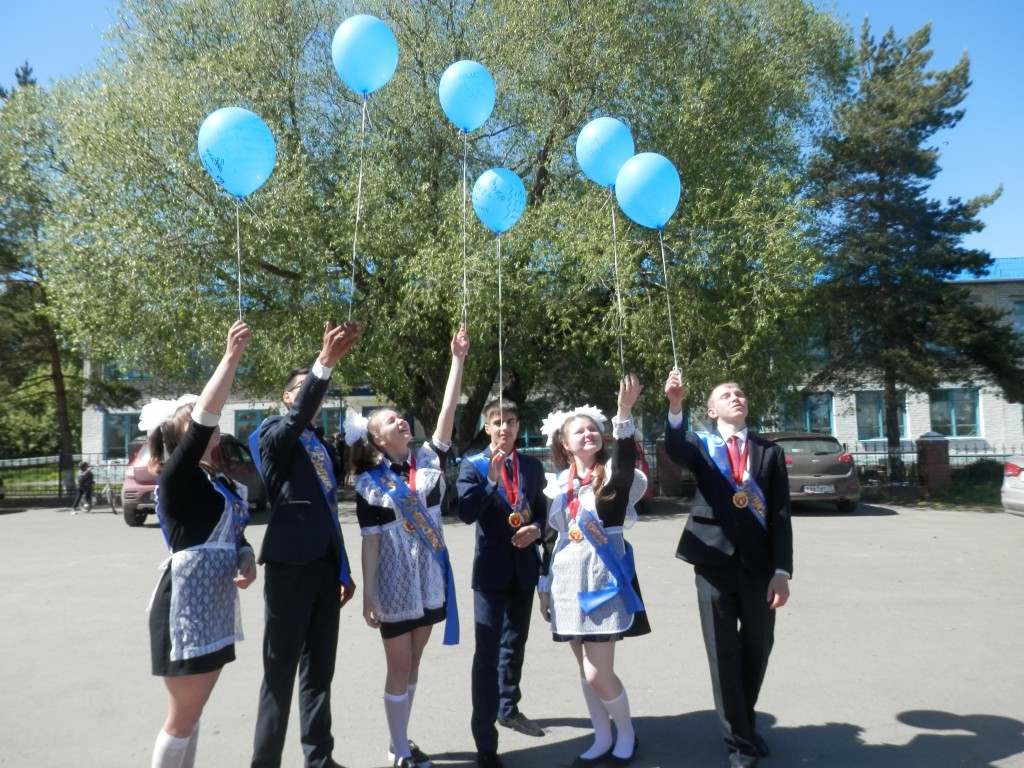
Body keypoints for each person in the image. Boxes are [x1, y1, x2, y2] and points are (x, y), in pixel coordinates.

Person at [347, 324, 469, 768]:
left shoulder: (429, 461)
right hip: (396, 582)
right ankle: (399, 751)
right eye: (390, 421)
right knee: (398, 667)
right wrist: (369, 595)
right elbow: (371, 542)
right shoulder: (369, 483)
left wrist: (457, 360)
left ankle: (399, 738)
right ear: (378, 440)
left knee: (414, 664)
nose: (400, 421)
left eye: (401, 416)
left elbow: (448, 411)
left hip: (430, 577)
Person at [662, 372, 793, 768]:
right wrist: (674, 405)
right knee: (723, 655)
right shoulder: (701, 445)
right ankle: (740, 746)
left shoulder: (768, 452)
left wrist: (782, 571)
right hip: (712, 562)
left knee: (757, 648)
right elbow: (674, 450)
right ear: (712, 410)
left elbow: (780, 515)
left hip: (759, 568)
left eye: (740, 392)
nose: (736, 397)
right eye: (726, 395)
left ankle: (745, 724)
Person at [143, 320, 257, 768]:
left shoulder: (219, 481)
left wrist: (246, 558)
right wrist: (230, 358)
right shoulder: (178, 477)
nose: (211, 426)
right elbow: (204, 419)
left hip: (214, 604)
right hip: (185, 605)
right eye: (195, 424)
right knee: (181, 719)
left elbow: (237, 535)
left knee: (193, 717)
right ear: (181, 437)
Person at [249, 320, 361, 768]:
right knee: (279, 672)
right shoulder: (273, 433)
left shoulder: (321, 446)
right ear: (287, 397)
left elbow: (329, 511)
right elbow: (296, 419)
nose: (314, 398)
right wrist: (324, 364)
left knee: (319, 671)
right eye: (304, 390)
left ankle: (319, 757)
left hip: (324, 568)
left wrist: (343, 568)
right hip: (289, 566)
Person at [538, 375, 650, 768]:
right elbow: (550, 541)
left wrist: (623, 411)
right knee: (583, 669)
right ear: (564, 444)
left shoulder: (613, 476)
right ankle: (602, 736)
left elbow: (626, 457)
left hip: (603, 579)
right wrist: (543, 588)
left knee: (597, 672)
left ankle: (627, 734)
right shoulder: (557, 485)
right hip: (566, 582)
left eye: (593, 429)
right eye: (579, 431)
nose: (588, 434)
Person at [457, 398, 548, 768]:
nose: (505, 428)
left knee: (515, 644)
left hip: (524, 567)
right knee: (488, 653)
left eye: (511, 421)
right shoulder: (474, 465)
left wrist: (537, 528)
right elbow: (466, 512)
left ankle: (508, 708)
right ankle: (485, 741)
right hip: (490, 571)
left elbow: (544, 511)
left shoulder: (532, 466)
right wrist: (492, 480)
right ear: (487, 427)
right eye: (497, 422)